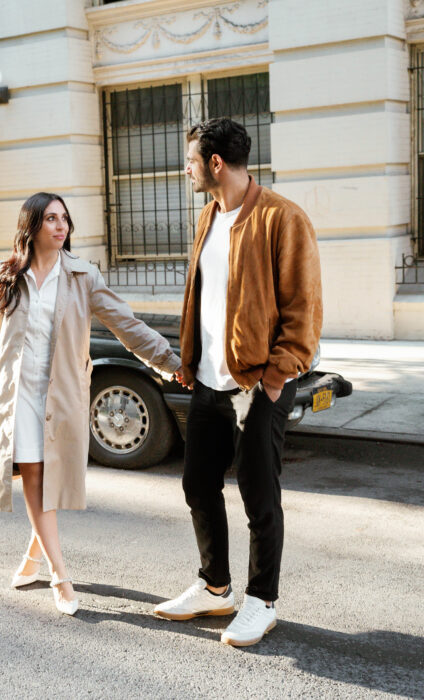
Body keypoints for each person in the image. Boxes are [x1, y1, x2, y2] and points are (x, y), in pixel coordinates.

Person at [0, 192, 181, 616]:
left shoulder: (83, 276)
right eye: (50, 219)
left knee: (51, 483)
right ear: (32, 226)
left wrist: (169, 362)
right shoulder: (4, 277)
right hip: (16, 397)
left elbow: (126, 324)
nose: (61, 226)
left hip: (62, 396)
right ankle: (61, 577)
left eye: (64, 219)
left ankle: (31, 557)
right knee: (36, 478)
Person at [153, 118, 323, 647]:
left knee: (258, 494)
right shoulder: (208, 216)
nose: (186, 168)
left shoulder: (282, 218)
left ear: (216, 163)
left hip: (258, 384)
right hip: (208, 381)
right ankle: (215, 586)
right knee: (197, 484)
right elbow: (203, 299)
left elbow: (304, 309)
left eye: (191, 160)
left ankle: (261, 600)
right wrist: (189, 358)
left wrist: (276, 376)